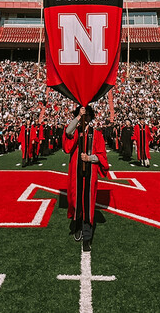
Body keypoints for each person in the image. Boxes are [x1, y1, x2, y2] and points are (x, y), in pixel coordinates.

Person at [64, 105, 108, 252]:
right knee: (76, 200)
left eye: (88, 115)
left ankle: (87, 237)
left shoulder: (97, 134)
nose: (86, 117)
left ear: (92, 117)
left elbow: (102, 156)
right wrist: (78, 117)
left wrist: (90, 158)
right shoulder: (76, 131)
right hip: (76, 172)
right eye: (84, 114)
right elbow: (68, 132)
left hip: (90, 172)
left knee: (88, 203)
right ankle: (77, 226)